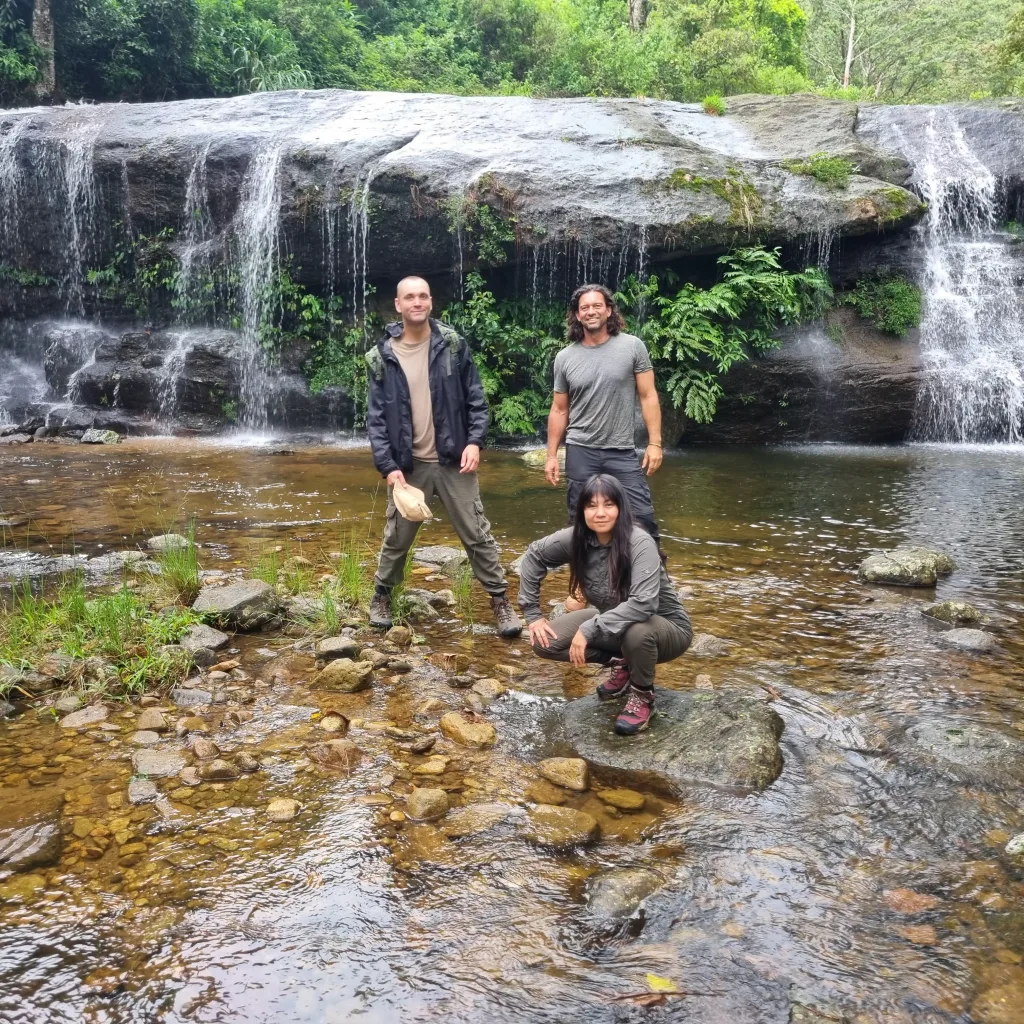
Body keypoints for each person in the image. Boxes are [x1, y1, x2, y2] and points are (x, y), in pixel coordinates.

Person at [366, 275, 523, 638]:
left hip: (455, 461)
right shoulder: (381, 357)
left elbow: (476, 400)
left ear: (431, 302)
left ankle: (500, 602)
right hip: (409, 467)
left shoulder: (452, 345)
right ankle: (382, 597)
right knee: (397, 537)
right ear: (399, 305)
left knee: (477, 535)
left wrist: (475, 442)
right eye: (410, 297)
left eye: (423, 296)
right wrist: (388, 467)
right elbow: (375, 420)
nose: (417, 302)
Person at [517, 474, 691, 736]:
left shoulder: (639, 541)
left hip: (665, 629)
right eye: (591, 505)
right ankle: (622, 662)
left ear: (621, 508)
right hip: (612, 622)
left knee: (637, 631)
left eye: (608, 504)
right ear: (582, 510)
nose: (599, 513)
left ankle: (643, 695)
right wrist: (532, 614)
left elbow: (644, 604)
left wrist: (588, 629)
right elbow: (533, 555)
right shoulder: (576, 538)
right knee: (545, 642)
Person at [544, 283, 664, 543]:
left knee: (642, 518)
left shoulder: (632, 347)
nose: (591, 312)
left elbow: (648, 395)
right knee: (579, 520)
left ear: (609, 310)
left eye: (597, 306)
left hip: (621, 449)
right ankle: (584, 580)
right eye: (584, 307)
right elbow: (559, 409)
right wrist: (551, 455)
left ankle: (653, 578)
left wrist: (655, 443)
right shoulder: (565, 358)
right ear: (577, 315)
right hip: (580, 449)